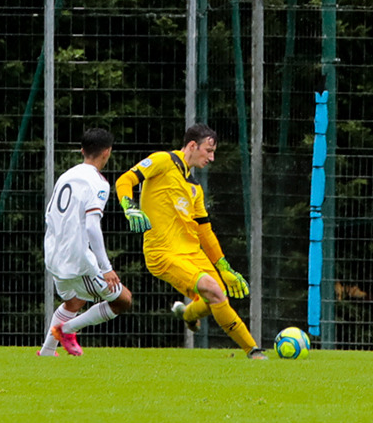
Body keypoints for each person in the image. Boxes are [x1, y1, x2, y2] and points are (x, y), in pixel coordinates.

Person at [114, 123, 265, 360]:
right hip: (163, 253)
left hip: (192, 252)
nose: (212, 158)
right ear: (193, 145)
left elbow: (205, 232)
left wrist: (224, 267)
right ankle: (253, 351)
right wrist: (128, 206)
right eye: (209, 150)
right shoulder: (163, 161)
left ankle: (187, 314)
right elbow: (125, 180)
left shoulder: (195, 188)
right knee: (213, 290)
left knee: (218, 293)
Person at [38, 127, 134, 356]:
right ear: (107, 152)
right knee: (123, 300)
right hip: (78, 258)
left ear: (82, 151)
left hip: (53, 253)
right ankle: (67, 329)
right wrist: (106, 268)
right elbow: (91, 225)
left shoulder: (67, 175)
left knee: (75, 301)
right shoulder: (98, 182)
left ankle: (47, 352)